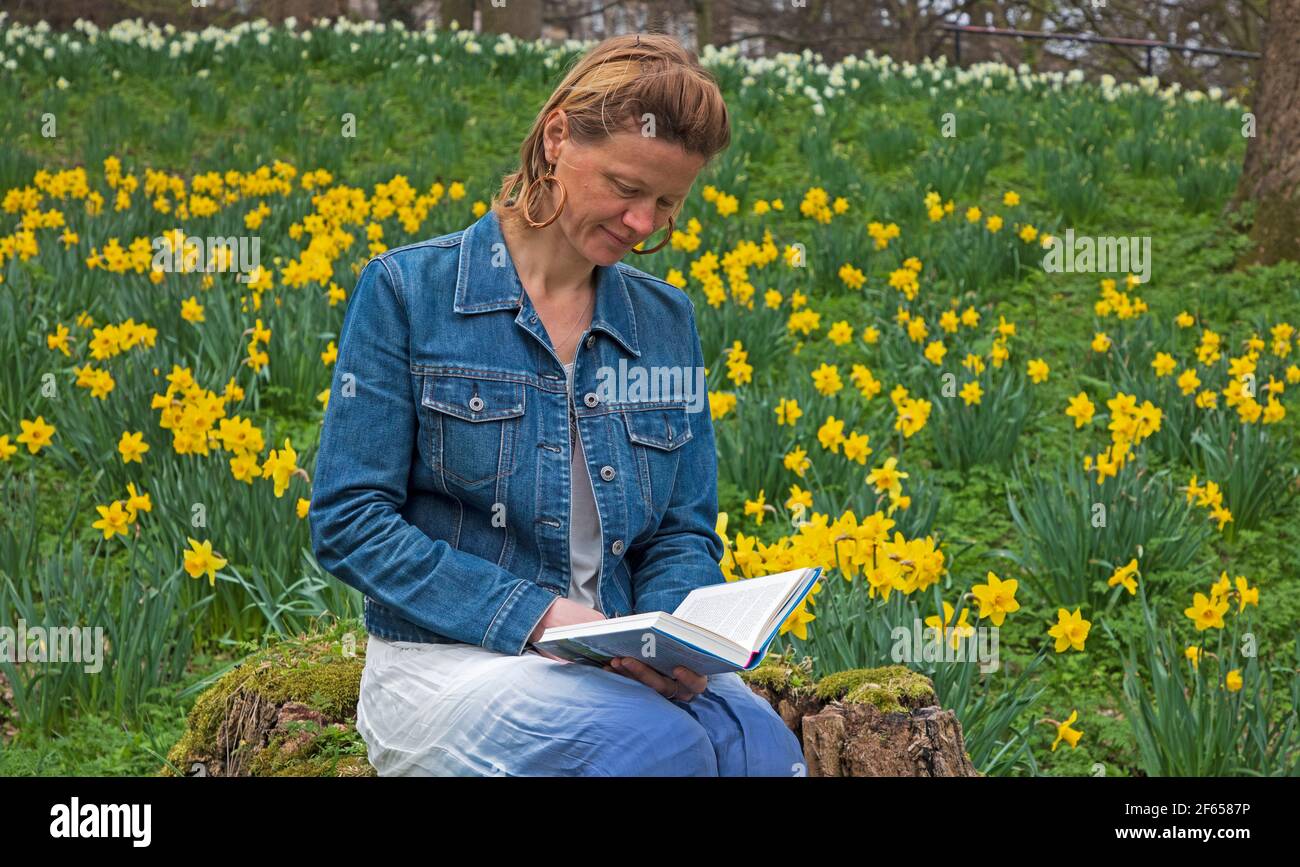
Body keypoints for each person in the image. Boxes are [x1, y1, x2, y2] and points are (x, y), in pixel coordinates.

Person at [309, 32, 805, 776]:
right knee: (661, 748)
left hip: (614, 665)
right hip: (449, 664)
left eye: (668, 202)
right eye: (626, 189)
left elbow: (680, 532)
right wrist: (536, 615)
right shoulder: (409, 294)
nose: (644, 223)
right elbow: (348, 523)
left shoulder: (664, 324)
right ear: (556, 138)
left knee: (761, 748)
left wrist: (661, 643)